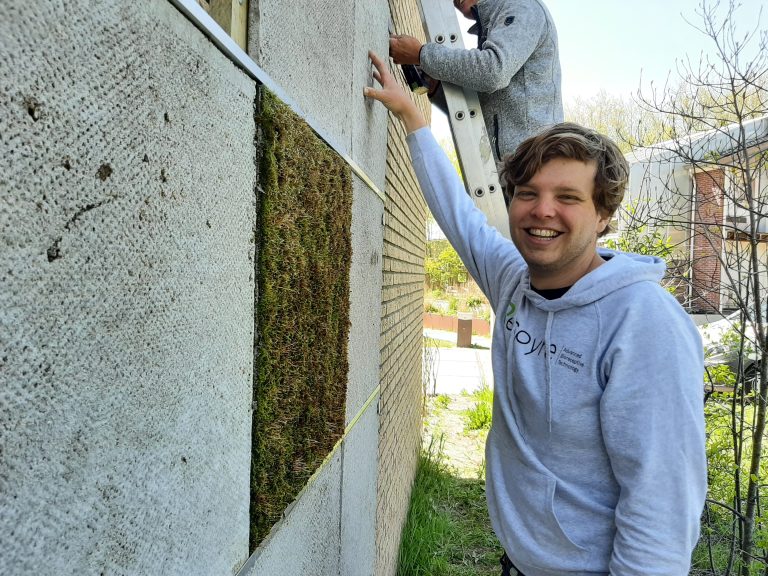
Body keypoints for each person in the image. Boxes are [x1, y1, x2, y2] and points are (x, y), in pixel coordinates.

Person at [364, 50, 707, 576]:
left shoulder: (642, 321)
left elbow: (661, 500)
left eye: (567, 196)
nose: (542, 210)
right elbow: (460, 218)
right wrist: (413, 120)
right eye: (528, 193)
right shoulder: (513, 281)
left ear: (604, 215)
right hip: (520, 560)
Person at [389, 0, 563, 162]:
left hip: (533, 165)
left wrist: (422, 55)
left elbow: (493, 72)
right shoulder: (493, 27)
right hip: (510, 171)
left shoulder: (523, 7)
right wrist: (437, 88)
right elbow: (479, 106)